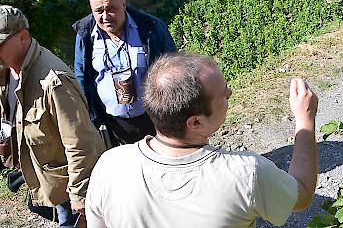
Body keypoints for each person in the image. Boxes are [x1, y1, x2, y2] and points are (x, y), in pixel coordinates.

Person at [85, 52, 319, 228]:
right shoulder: (246, 174)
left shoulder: (109, 166)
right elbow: (302, 195)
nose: (230, 94)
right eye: (223, 94)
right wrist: (305, 120)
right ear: (195, 123)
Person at [0, 5, 104, 228]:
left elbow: (81, 143)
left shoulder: (54, 81)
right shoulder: (7, 71)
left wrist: (81, 197)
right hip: (44, 178)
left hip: (68, 189)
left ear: (23, 37)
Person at [72, 0, 176, 146]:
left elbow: (174, 67)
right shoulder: (85, 36)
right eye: (98, 11)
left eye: (111, 9)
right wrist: (92, 117)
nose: (105, 17)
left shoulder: (150, 28)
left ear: (124, 5)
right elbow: (82, 75)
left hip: (154, 119)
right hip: (113, 125)